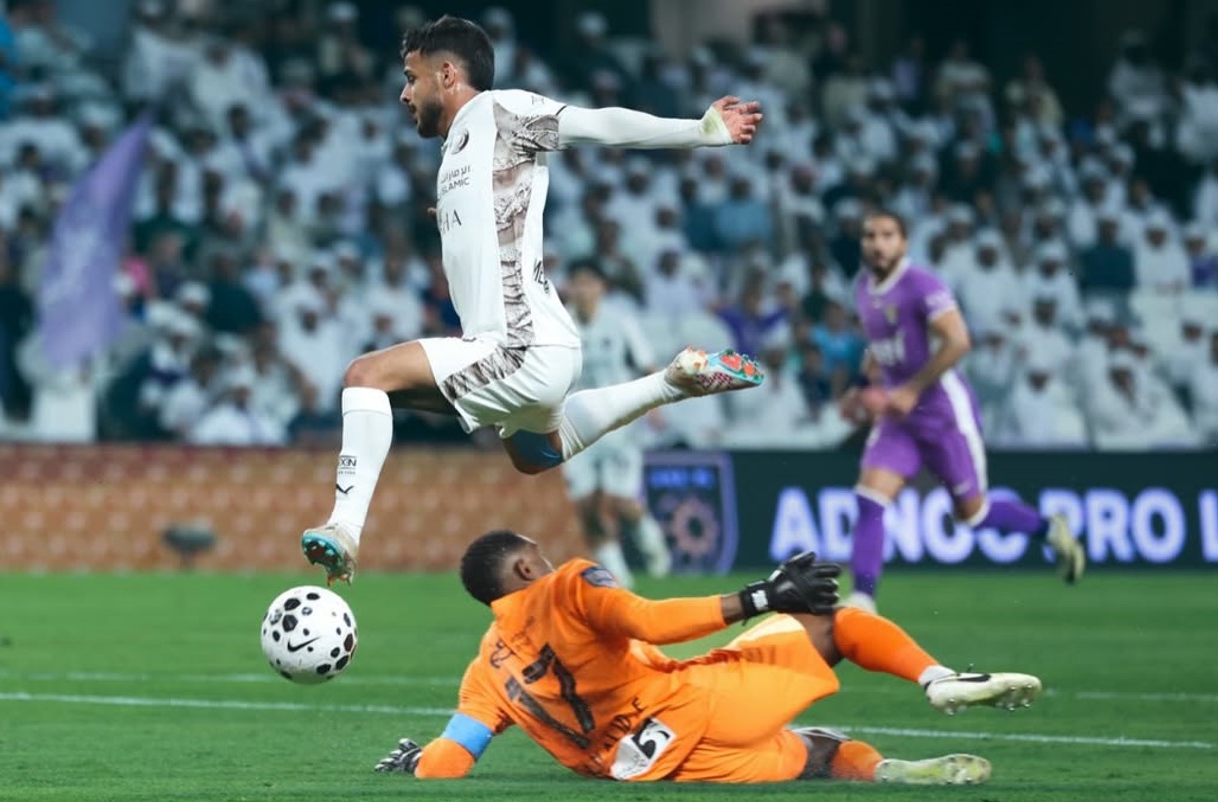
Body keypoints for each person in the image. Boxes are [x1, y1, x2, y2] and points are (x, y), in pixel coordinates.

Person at [302, 16, 766, 583]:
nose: (404, 94)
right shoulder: (458, 151)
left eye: (410, 78)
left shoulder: (503, 111)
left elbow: (599, 124)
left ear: (446, 74)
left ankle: (344, 529)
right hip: (538, 349)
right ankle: (671, 382)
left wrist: (700, 130)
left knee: (366, 377)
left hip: (519, 345)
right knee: (533, 455)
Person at [372, 530, 1040, 784]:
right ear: (525, 568)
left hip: (653, 768)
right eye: (537, 555)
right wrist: (762, 596)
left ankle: (887, 772)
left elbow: (450, 762)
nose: (547, 560)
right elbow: (651, 621)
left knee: (815, 752)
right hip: (693, 708)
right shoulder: (565, 585)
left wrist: (418, 762)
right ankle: (939, 679)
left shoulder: (484, 669)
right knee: (833, 624)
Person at [839, 212, 1086, 611]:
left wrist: (911, 389)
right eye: (870, 235)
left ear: (904, 242)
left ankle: (1049, 529)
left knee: (973, 515)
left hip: (943, 414)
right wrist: (861, 387)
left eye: (887, 235)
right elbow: (881, 347)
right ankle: (862, 600)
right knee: (870, 498)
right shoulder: (863, 288)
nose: (877, 243)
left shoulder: (921, 285)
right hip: (900, 421)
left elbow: (958, 341)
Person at [561, 259, 671, 586]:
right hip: (573, 426)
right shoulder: (559, 323)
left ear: (602, 288)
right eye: (577, 283)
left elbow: (647, 364)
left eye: (589, 282)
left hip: (618, 423)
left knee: (618, 502)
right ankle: (618, 579)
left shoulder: (620, 322)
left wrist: (656, 405)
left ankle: (649, 534)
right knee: (586, 507)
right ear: (570, 288)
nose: (583, 290)